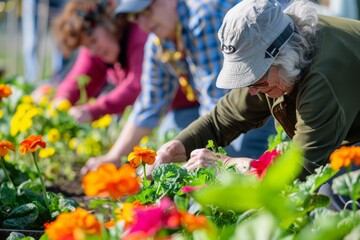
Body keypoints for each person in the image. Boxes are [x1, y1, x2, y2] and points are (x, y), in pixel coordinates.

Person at [145, 0, 360, 208]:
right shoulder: (282, 58)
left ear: (283, 57)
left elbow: (301, 169)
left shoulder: (322, 78)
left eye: (254, 78)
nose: (252, 91)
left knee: (331, 194)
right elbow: (220, 120)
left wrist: (230, 165)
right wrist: (174, 148)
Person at [80, 0, 278, 174]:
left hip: (261, 100)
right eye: (136, 18)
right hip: (225, 108)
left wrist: (206, 164)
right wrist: (114, 157)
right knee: (171, 129)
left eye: (147, 11)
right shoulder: (158, 42)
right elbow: (149, 105)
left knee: (236, 168)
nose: (145, 23)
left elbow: (221, 104)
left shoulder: (202, 18)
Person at [43, 0, 146, 123]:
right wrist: (61, 102)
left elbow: (137, 86)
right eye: (86, 46)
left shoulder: (139, 34)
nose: (93, 51)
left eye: (93, 41)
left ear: (108, 23)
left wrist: (92, 110)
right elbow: (75, 82)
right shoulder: (99, 48)